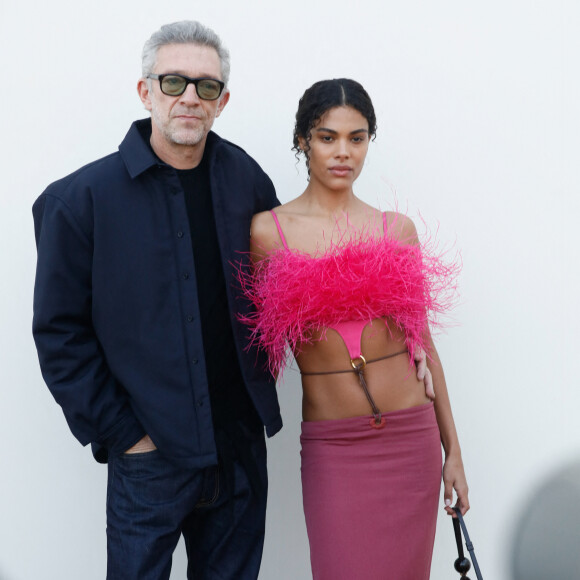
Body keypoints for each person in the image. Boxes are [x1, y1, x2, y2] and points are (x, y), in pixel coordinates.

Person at [32, 21, 282, 580]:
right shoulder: (80, 200)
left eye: (206, 86)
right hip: (151, 458)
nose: (190, 97)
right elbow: (59, 333)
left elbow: (284, 290)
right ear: (146, 92)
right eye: (173, 82)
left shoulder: (248, 180)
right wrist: (124, 436)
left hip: (238, 452)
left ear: (222, 102)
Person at [241, 79, 469, 579]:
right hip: (333, 446)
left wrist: (453, 454)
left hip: (411, 441)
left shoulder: (396, 229)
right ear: (302, 139)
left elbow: (425, 346)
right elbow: (246, 347)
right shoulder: (268, 232)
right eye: (327, 137)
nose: (343, 152)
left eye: (357, 138)